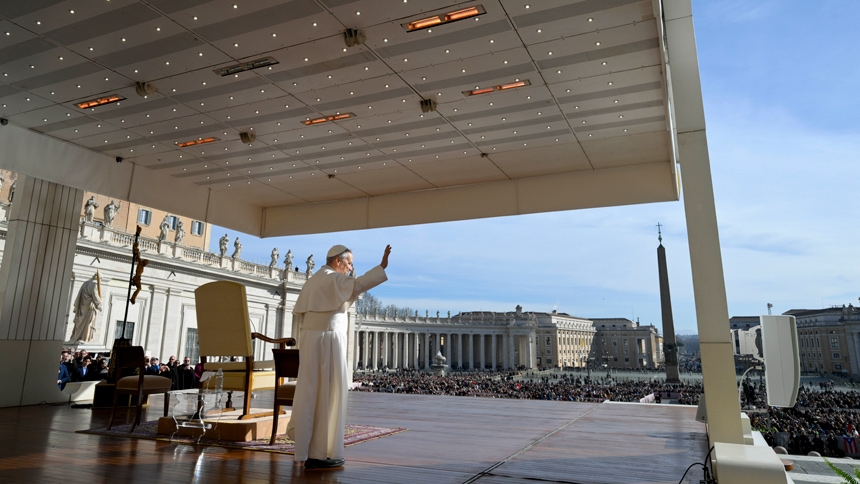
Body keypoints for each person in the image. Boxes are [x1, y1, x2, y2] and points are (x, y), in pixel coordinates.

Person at [286, 244, 391, 470]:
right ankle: (320, 453)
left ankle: (306, 449)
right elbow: (359, 284)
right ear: (337, 261)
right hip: (329, 341)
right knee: (330, 393)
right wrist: (381, 267)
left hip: (311, 340)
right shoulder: (331, 278)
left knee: (310, 392)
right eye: (349, 263)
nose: (351, 268)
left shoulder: (313, 280)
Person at [68, 275, 101, 344]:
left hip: (82, 305)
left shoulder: (85, 283)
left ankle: (76, 337)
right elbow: (95, 296)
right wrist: (100, 305)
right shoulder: (94, 285)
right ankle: (84, 338)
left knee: (80, 322)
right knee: (88, 323)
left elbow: (80, 295)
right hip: (90, 307)